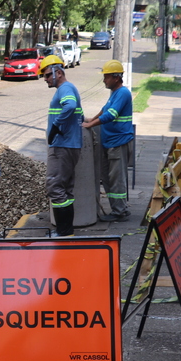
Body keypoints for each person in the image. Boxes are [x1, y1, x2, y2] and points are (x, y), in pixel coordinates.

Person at [82, 60, 134, 221]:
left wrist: (90, 124)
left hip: (118, 143)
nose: (104, 80)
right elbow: (104, 110)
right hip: (110, 142)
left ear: (116, 78)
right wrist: (91, 119)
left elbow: (111, 115)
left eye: (106, 77)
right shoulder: (115, 93)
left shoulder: (123, 93)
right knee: (107, 178)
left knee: (116, 179)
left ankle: (120, 212)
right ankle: (117, 208)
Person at [40, 54, 83, 237]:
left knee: (55, 186)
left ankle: (63, 231)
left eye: (47, 75)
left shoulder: (65, 89)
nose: (45, 79)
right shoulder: (68, 88)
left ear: (58, 72)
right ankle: (66, 231)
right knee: (65, 189)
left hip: (62, 146)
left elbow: (70, 106)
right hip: (69, 145)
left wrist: (56, 126)